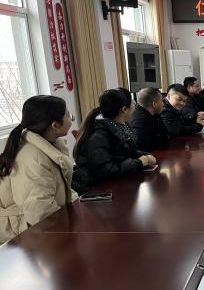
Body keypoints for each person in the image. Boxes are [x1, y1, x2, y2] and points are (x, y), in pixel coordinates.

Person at [0, 95, 77, 243]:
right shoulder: (35, 159)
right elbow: (40, 214)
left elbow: (59, 189)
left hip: (37, 226)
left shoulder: (50, 145)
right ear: (55, 125)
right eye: (68, 115)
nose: (71, 119)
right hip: (22, 233)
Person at [73, 88, 156, 194]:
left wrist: (146, 156)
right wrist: (139, 162)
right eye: (132, 102)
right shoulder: (98, 135)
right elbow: (107, 171)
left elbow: (128, 151)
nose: (135, 104)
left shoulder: (122, 124)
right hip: (97, 190)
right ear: (124, 109)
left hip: (117, 184)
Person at [129, 87, 170, 152]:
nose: (163, 103)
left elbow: (165, 135)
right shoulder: (140, 121)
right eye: (161, 100)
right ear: (154, 104)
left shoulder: (155, 114)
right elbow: (143, 147)